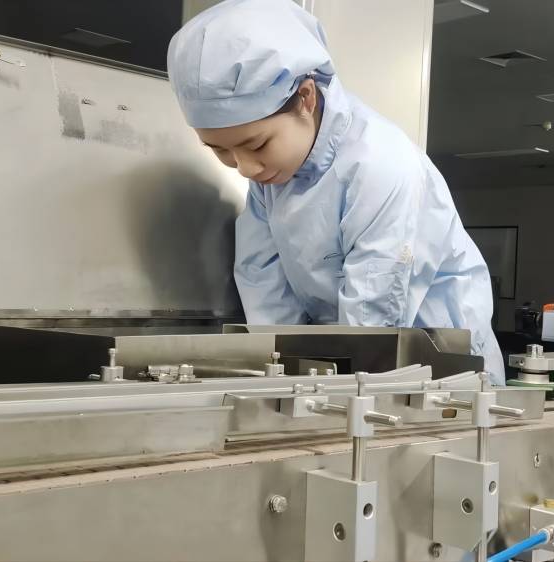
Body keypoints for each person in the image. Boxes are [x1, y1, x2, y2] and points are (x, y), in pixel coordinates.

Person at [167, 0, 505, 384]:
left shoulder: (380, 164)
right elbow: (263, 283)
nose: (245, 167)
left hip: (441, 370)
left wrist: (332, 388)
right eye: (220, 150)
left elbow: (375, 314)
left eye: (257, 144)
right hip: (350, 362)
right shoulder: (271, 177)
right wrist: (280, 375)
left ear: (306, 97)